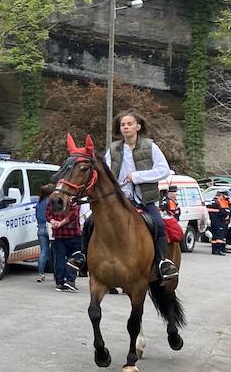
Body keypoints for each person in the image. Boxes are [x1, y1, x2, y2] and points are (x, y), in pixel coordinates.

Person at [68, 110, 178, 279]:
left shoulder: (150, 146)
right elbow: (105, 174)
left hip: (144, 199)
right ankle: (83, 257)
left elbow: (164, 170)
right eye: (123, 125)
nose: (126, 127)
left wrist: (137, 177)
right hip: (119, 199)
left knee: (158, 224)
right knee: (90, 222)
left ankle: (163, 263)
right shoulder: (113, 149)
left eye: (129, 124)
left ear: (138, 127)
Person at [46, 193, 82, 291]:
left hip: (58, 234)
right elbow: (73, 215)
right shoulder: (72, 199)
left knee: (59, 258)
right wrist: (61, 223)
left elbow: (47, 214)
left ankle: (60, 282)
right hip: (73, 233)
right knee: (76, 257)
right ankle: (70, 280)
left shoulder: (52, 198)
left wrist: (53, 221)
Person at [35, 182, 55, 283]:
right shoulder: (52, 201)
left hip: (41, 228)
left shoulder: (39, 202)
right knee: (56, 252)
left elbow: (37, 215)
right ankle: (56, 275)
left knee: (43, 252)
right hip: (51, 227)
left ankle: (40, 274)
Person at [208, 190, 231, 256]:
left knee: (214, 236)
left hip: (213, 220)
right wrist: (226, 215)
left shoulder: (211, 201)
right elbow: (223, 211)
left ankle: (214, 250)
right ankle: (218, 250)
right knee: (219, 236)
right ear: (221, 196)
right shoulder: (219, 201)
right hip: (219, 220)